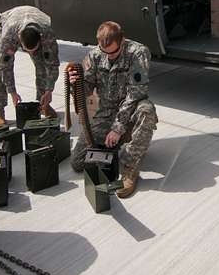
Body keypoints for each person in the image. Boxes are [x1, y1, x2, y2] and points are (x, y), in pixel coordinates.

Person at [66, 21, 157, 198]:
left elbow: (136, 93)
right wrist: (75, 84)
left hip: (131, 109)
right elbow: (86, 90)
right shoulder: (95, 55)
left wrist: (117, 128)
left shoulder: (138, 53)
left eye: (114, 52)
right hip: (106, 112)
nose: (109, 56)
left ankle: (131, 167)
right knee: (78, 162)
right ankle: (117, 146)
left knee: (147, 111)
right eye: (104, 51)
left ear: (122, 40)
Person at [0, 5, 60, 127]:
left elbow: (53, 64)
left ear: (40, 40)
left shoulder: (47, 34)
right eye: (28, 50)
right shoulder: (9, 36)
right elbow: (5, 67)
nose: (31, 53)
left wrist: (49, 90)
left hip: (36, 19)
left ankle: (43, 104)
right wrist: (12, 92)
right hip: (8, 21)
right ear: (19, 41)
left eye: (34, 50)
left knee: (42, 65)